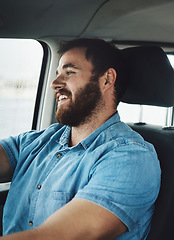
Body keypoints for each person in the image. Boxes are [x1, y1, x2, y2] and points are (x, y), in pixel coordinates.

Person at [0, 38, 161, 239]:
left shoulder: (130, 157)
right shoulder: (42, 140)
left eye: (69, 72)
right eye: (58, 73)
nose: (54, 84)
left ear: (107, 79)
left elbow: (58, 236)